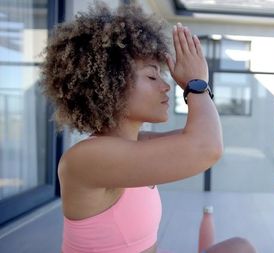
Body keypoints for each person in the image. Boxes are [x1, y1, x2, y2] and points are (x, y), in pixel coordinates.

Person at [40, 2, 256, 253]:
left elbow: (202, 139)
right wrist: (196, 85)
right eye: (152, 76)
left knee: (239, 248)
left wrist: (196, 86)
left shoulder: (136, 144)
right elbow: (206, 148)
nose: (166, 86)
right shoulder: (85, 158)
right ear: (112, 84)